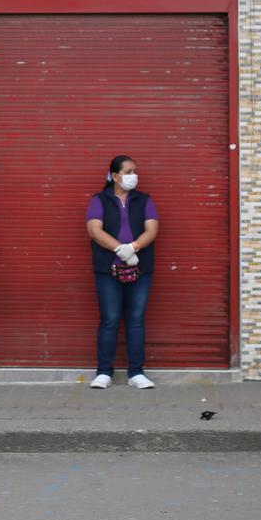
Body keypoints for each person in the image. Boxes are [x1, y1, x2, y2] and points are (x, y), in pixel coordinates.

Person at [86, 155, 160, 389]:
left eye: (134, 171)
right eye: (128, 171)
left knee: (136, 321)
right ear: (115, 176)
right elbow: (94, 230)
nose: (133, 175)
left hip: (140, 268)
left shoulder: (144, 200)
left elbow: (152, 228)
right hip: (108, 270)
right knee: (109, 320)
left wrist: (134, 247)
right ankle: (104, 372)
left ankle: (136, 373)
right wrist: (120, 249)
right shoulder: (100, 200)